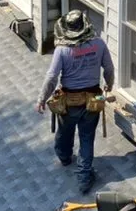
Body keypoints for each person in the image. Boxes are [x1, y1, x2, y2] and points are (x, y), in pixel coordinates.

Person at [36, 10, 114, 193]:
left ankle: (64, 157)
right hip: (92, 100)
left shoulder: (62, 50)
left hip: (69, 101)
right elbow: (109, 69)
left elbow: (51, 77)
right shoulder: (99, 44)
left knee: (65, 131)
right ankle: (84, 178)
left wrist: (42, 99)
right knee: (87, 138)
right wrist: (108, 85)